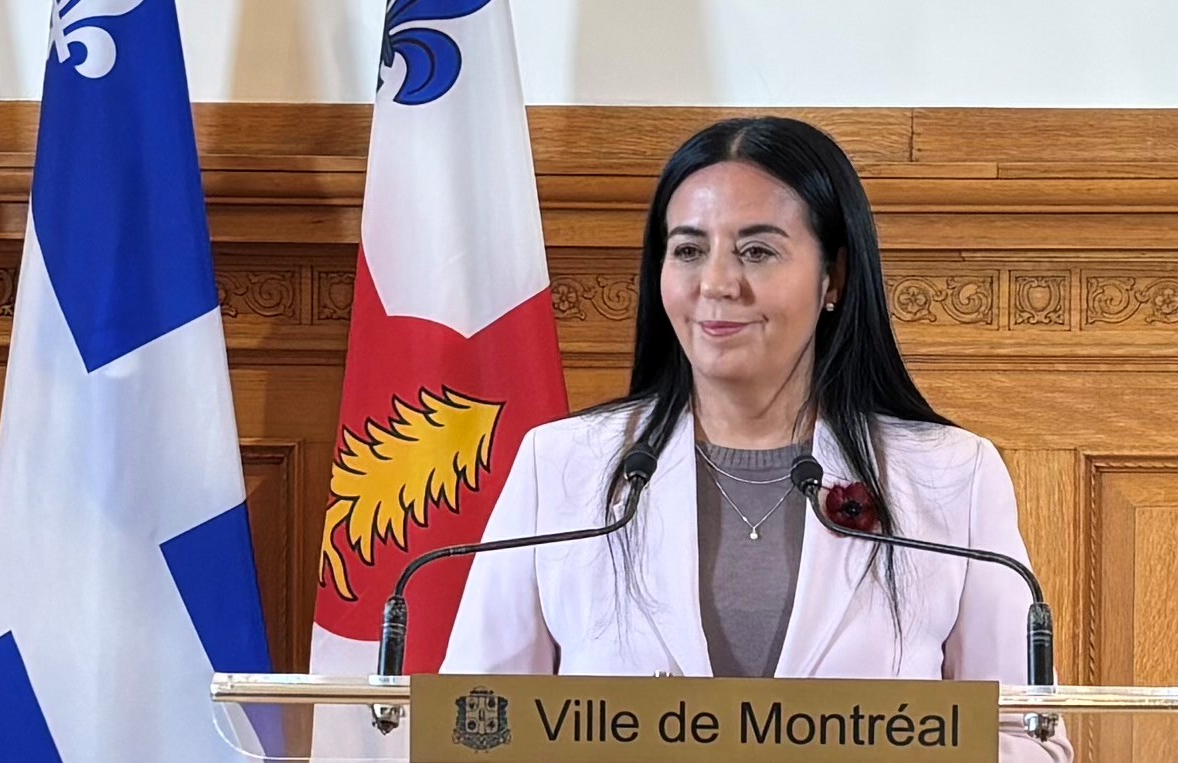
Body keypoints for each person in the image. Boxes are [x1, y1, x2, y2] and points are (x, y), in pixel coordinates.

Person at [441, 117, 1073, 760]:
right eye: (688, 250)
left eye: (757, 251)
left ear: (835, 278)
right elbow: (469, 728)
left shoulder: (950, 476)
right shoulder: (563, 466)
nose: (716, 283)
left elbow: (1028, 739)